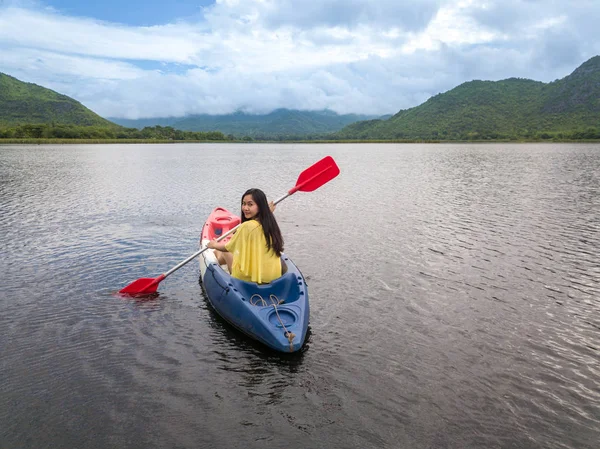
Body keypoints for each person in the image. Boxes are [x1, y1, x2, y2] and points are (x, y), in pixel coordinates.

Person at [207, 188, 284, 284]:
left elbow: (228, 247)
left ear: (260, 207)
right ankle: (220, 260)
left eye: (250, 204)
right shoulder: (270, 223)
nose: (245, 208)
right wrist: (268, 212)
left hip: (248, 280)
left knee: (223, 251)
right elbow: (259, 222)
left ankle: (217, 262)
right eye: (244, 204)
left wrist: (214, 244)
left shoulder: (247, 226)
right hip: (272, 278)